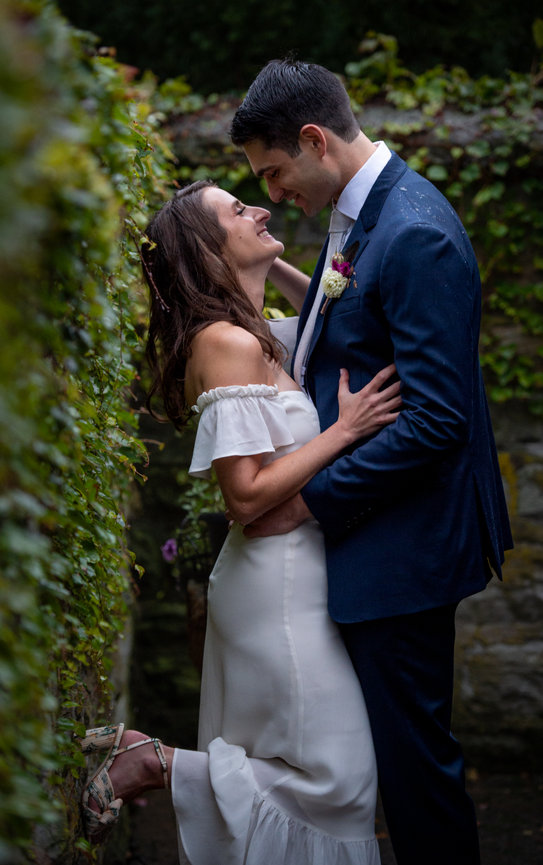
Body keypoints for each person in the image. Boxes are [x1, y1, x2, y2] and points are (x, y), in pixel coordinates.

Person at [229, 59, 514, 865]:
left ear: (314, 140)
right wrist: (252, 276)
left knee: (414, 769)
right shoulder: (364, 211)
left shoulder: (413, 232)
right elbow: (340, 314)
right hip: (380, 535)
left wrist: (305, 501)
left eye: (275, 172)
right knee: (393, 761)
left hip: (404, 548)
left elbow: (434, 421)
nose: (275, 193)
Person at [81, 179, 403, 864]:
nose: (260, 209)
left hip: (293, 576)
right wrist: (342, 431)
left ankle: (159, 761)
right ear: (206, 249)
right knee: (336, 782)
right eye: (238, 210)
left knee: (325, 778)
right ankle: (154, 761)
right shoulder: (225, 342)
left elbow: (320, 312)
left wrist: (268, 261)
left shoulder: (255, 335)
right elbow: (246, 496)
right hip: (275, 587)